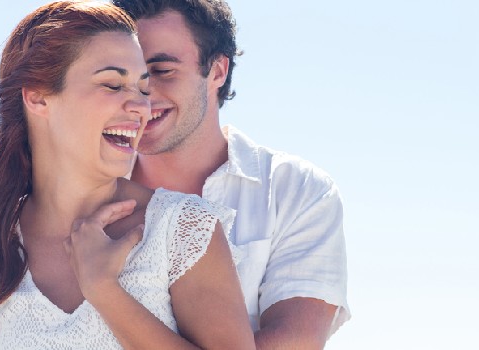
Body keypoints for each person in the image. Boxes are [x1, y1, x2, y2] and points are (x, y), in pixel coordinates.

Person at [0, 1, 254, 349]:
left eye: (143, 89)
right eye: (113, 85)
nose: (141, 106)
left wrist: (105, 291)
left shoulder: (183, 231)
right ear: (38, 97)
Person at [110, 0, 350, 348]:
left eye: (161, 70)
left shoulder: (296, 190)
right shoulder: (86, 188)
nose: (140, 96)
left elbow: (295, 343)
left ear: (217, 71)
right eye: (123, 76)